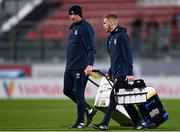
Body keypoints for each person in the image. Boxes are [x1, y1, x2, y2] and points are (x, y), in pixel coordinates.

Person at [92, 13, 146, 131]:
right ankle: (139, 122)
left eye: (105, 23)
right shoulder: (110, 38)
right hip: (116, 73)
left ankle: (104, 124)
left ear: (111, 23)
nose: (103, 25)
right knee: (124, 100)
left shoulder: (122, 36)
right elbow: (114, 58)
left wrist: (130, 73)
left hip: (123, 73)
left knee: (114, 99)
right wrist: (110, 72)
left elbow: (128, 56)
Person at [63, 5, 97, 129]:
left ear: (80, 14)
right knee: (67, 90)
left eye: (74, 14)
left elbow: (91, 49)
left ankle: (80, 121)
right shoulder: (72, 28)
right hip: (70, 67)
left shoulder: (85, 28)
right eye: (70, 14)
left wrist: (90, 65)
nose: (72, 17)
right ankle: (88, 109)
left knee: (79, 93)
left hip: (80, 67)